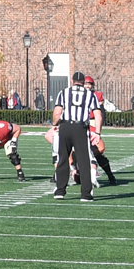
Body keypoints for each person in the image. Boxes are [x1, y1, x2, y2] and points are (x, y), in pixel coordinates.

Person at [52, 71, 99, 202]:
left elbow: (57, 112)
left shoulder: (63, 93)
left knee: (63, 159)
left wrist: (55, 123)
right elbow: (98, 114)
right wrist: (98, 132)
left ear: (72, 81)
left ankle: (60, 191)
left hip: (66, 126)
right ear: (83, 82)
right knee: (84, 161)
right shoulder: (89, 94)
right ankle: (86, 194)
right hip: (80, 127)